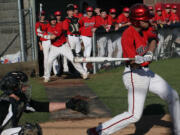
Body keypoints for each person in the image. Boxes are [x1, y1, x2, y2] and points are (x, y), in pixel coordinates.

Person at [87, 4, 180, 135]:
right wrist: (138, 61)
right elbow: (132, 62)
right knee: (134, 115)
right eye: (146, 19)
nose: (149, 21)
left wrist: (149, 54)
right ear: (137, 20)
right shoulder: (127, 35)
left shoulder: (146, 27)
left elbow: (153, 39)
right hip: (134, 74)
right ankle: (98, 131)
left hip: (147, 73)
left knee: (173, 96)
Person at [0, 71, 89, 135]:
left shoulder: (19, 99)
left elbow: (40, 106)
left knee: (32, 130)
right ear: (14, 87)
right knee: (29, 131)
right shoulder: (4, 104)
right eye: (23, 85)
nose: (26, 87)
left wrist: (68, 105)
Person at [42, 14, 89, 82]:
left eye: (54, 20)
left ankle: (84, 73)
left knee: (73, 60)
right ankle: (47, 77)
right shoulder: (48, 27)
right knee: (49, 61)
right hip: (54, 47)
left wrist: (43, 36)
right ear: (49, 21)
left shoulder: (59, 25)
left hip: (63, 46)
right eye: (52, 20)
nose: (53, 21)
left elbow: (53, 37)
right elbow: (44, 32)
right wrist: (42, 34)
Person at [35, 11, 59, 78]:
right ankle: (46, 73)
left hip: (51, 40)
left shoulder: (47, 22)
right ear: (38, 16)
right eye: (41, 15)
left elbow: (50, 30)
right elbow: (38, 35)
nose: (42, 16)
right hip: (44, 42)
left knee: (54, 56)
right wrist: (40, 45)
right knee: (46, 58)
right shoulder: (37, 24)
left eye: (43, 15)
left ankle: (56, 72)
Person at [79, 6, 96, 72]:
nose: (90, 12)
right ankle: (84, 69)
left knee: (87, 54)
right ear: (87, 12)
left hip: (91, 37)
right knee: (85, 53)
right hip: (83, 36)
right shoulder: (83, 19)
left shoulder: (94, 18)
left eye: (91, 11)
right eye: (89, 11)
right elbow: (79, 26)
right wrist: (80, 37)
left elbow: (97, 25)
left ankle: (85, 68)